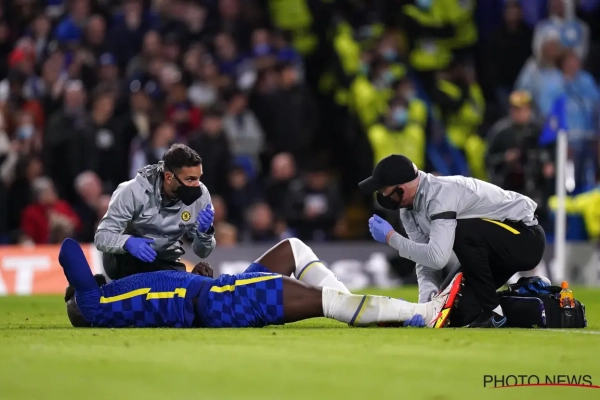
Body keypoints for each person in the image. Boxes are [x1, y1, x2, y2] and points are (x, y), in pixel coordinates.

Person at [60, 237, 463, 329]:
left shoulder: (121, 296)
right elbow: (68, 249)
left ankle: (360, 308)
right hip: (225, 302)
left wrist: (194, 277)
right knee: (329, 303)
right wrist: (79, 293)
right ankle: (424, 313)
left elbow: (169, 291)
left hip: (222, 292)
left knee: (292, 248)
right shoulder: (96, 306)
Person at [358, 154, 546, 328]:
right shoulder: (407, 211)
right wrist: (426, 306)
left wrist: (391, 238)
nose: (381, 196)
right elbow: (424, 260)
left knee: (461, 229)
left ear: (401, 189)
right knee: (453, 312)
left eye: (383, 190)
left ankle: (493, 311)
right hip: (491, 251)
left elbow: (437, 258)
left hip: (525, 237)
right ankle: (530, 299)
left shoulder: (440, 194)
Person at [94, 144, 216, 280]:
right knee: (148, 272)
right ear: (169, 177)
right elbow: (101, 236)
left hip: (163, 259)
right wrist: (127, 242)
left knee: (197, 279)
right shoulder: (132, 191)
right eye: (190, 179)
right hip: (124, 258)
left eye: (198, 178)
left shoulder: (201, 197)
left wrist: (204, 233)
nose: (197, 185)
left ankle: (178, 280)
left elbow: (202, 253)